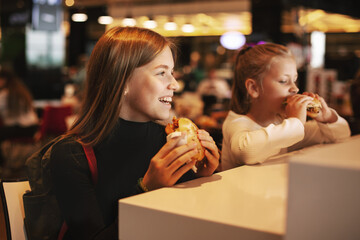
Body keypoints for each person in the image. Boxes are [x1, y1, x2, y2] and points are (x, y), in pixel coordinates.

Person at [49, 27, 220, 239]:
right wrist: (147, 190)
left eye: (172, 73)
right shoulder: (71, 155)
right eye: (162, 73)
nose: (174, 84)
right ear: (122, 81)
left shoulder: (167, 140)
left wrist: (199, 176)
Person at [221, 43, 351, 171]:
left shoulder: (284, 124)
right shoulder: (236, 122)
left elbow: (342, 135)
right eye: (283, 81)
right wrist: (296, 121)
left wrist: (327, 117)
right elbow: (245, 151)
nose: (295, 88)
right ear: (254, 88)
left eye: (294, 80)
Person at [0, 68, 39, 167]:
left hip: (21, 128)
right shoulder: (21, 91)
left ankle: (3, 164)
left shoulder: (5, 94)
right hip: (33, 127)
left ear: (4, 79)